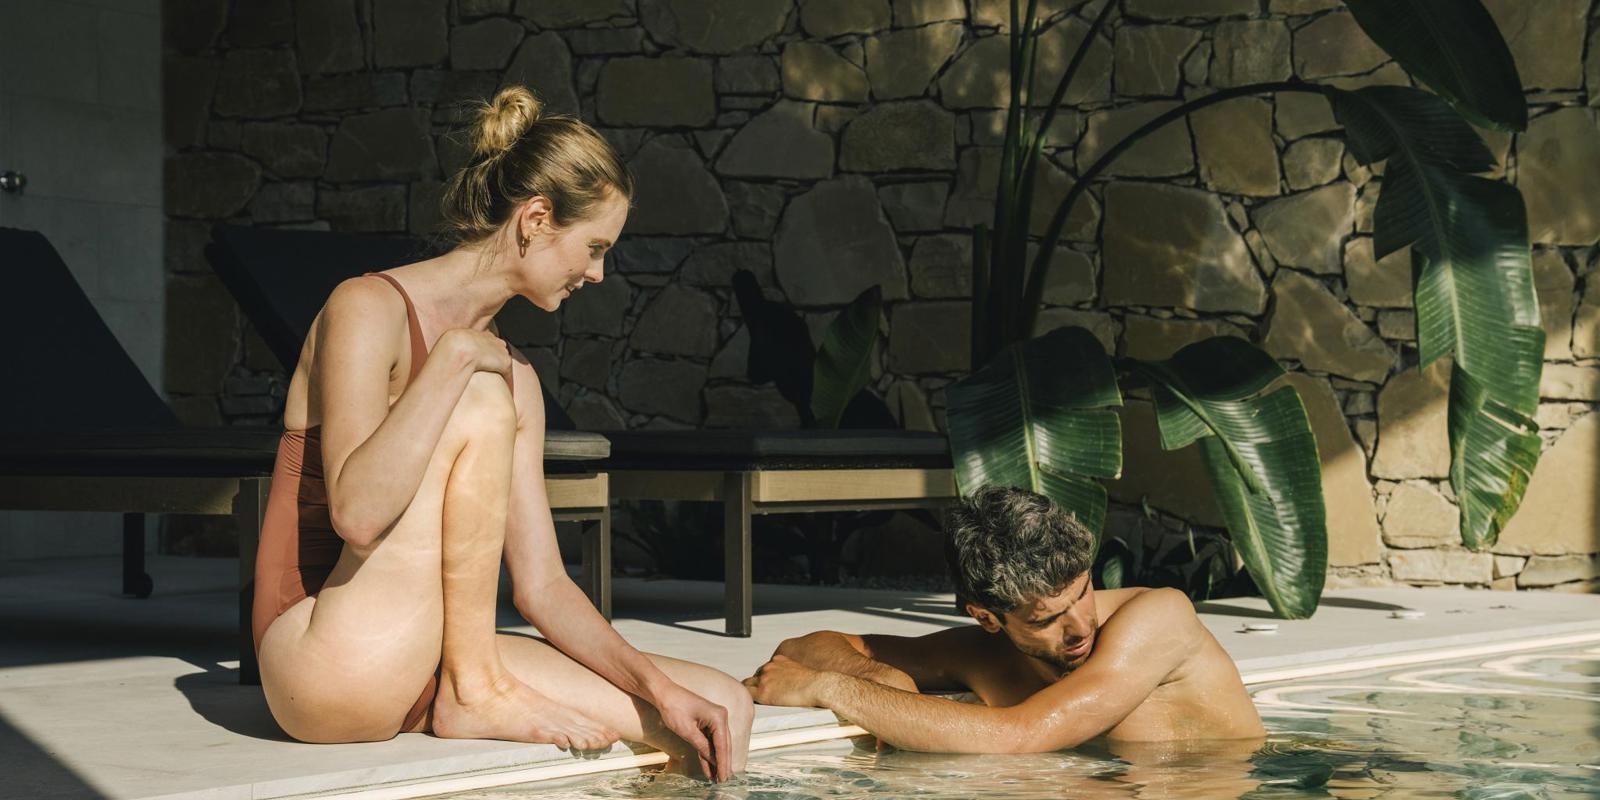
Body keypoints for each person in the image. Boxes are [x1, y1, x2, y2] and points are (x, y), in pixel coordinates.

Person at [252, 85, 751, 781]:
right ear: (537, 219)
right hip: (330, 657)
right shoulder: (367, 308)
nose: (598, 273)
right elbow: (357, 516)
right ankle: (474, 690)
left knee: (718, 707)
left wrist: (658, 687)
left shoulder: (515, 375)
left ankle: (472, 683)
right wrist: (453, 358)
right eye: (594, 247)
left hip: (431, 654)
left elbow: (542, 584)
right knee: (480, 393)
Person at [744, 485, 1264, 753]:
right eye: (1045, 620)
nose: (1080, 626)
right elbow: (803, 647)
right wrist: (880, 676)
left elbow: (1017, 736)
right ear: (988, 618)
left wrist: (833, 689)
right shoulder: (984, 653)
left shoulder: (1160, 617)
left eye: (1082, 593)